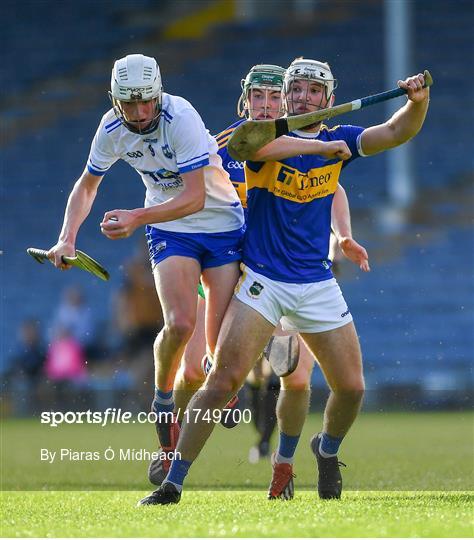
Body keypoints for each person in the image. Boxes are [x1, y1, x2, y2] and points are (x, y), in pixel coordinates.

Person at [138, 57, 430, 505]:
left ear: (329, 100)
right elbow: (250, 149)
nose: (304, 97)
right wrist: (318, 148)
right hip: (260, 281)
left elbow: (394, 133)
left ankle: (324, 450)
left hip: (316, 284)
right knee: (220, 382)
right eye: (297, 90)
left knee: (351, 388)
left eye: (315, 91)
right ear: (285, 98)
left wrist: (416, 103)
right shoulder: (262, 136)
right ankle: (172, 481)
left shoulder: (340, 139)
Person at [47, 53, 245, 472]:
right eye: (128, 104)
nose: (138, 114)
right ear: (115, 100)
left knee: (215, 354)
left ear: (158, 94)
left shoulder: (181, 117)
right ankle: (162, 400)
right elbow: (86, 186)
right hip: (171, 230)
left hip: (222, 224)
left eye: (146, 102)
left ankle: (219, 378)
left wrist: (136, 217)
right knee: (179, 324)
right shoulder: (112, 128)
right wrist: (66, 238)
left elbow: (195, 197)